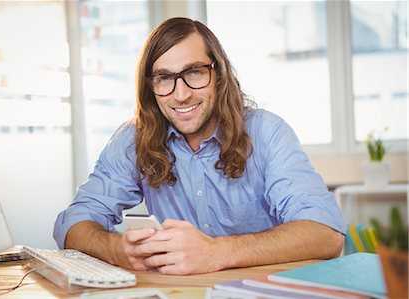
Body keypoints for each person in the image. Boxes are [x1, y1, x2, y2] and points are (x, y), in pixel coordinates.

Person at [54, 17, 346, 275]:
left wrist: (215, 252)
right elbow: (73, 224)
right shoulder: (132, 140)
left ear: (218, 74)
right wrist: (117, 249)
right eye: (165, 78)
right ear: (150, 87)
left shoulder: (267, 132)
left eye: (194, 72)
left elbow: (326, 235)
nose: (181, 95)